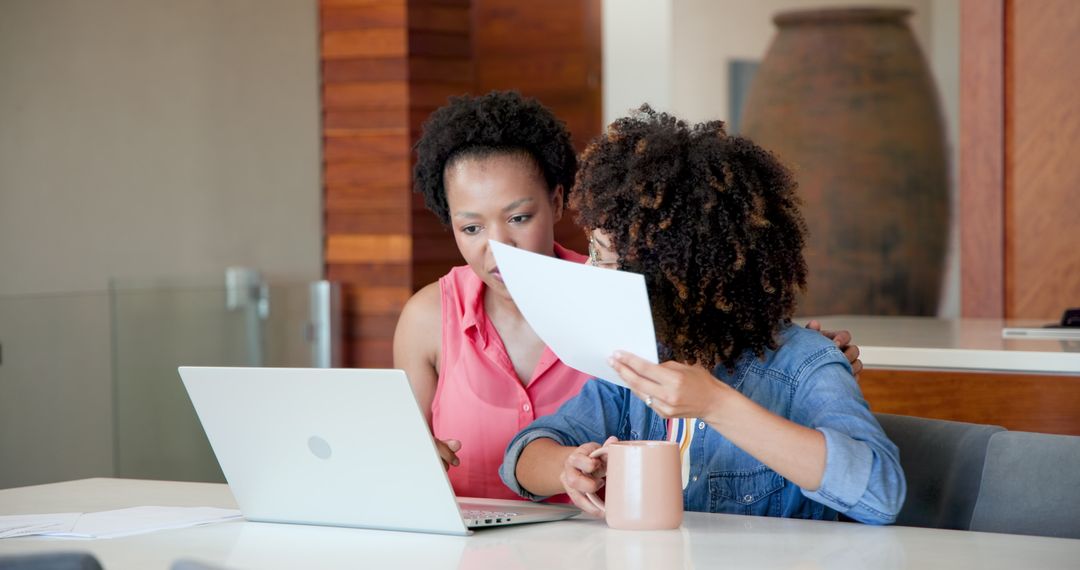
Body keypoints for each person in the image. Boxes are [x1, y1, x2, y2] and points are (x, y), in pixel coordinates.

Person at [393, 91, 864, 501]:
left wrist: (808, 361)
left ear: (558, 203)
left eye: (518, 218)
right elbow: (431, 457)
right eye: (471, 227)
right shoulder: (428, 318)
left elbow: (715, 320)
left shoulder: (628, 290)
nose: (498, 247)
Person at [500, 106, 904, 523]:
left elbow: (881, 494)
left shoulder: (804, 366)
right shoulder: (638, 363)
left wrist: (715, 404)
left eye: (605, 259)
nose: (590, 271)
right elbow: (520, 458)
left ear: (673, 274)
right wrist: (566, 467)